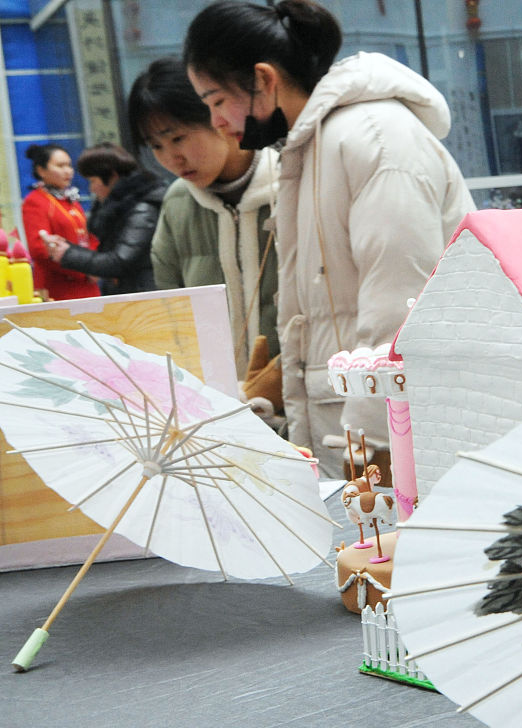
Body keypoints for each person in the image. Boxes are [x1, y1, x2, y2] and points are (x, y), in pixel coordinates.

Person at [183, 0, 476, 478]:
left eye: (217, 100)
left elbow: (400, 305)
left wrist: (370, 447)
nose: (216, 121)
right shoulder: (310, 148)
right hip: (349, 437)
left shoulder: (375, 140)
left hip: (394, 446)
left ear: (263, 79)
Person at [131, 56, 281, 384]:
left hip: (303, 396)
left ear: (219, 116)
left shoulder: (287, 186)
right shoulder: (177, 203)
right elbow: (172, 316)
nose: (171, 158)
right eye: (156, 145)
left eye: (179, 137)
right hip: (218, 405)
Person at [43, 143, 165, 295]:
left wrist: (69, 253)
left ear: (112, 176)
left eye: (93, 181)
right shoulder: (121, 208)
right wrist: (69, 250)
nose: (92, 188)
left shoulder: (142, 208)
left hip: (144, 295)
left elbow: (120, 261)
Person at [21, 144, 100, 300]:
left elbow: (88, 235)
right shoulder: (35, 201)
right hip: (59, 287)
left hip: (87, 282)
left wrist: (97, 266)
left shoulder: (70, 199)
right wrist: (84, 269)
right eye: (60, 166)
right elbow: (39, 249)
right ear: (41, 170)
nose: (68, 171)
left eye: (69, 165)